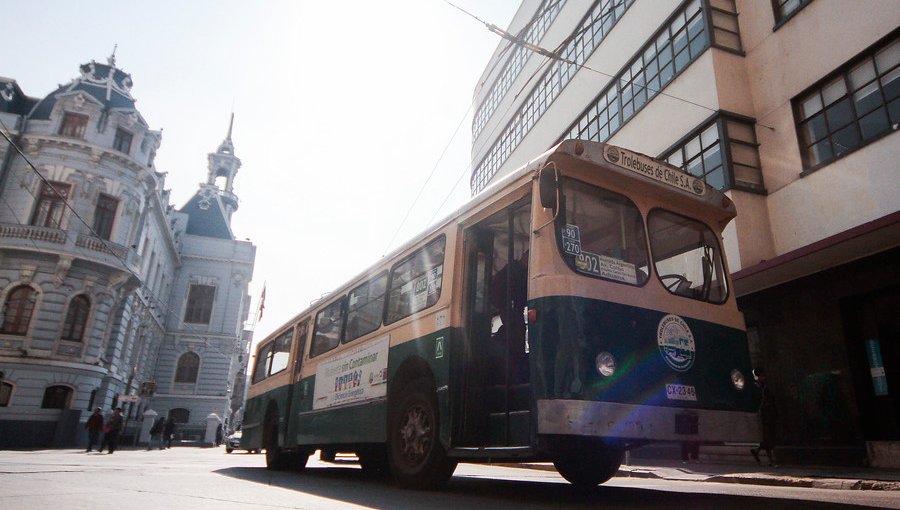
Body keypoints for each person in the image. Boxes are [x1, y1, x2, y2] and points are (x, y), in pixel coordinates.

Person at [750, 368, 778, 467]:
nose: (764, 377)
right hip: (762, 415)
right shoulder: (755, 387)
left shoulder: (764, 387)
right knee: (767, 438)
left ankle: (756, 451)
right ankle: (771, 460)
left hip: (767, 414)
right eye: (761, 375)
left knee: (767, 438)